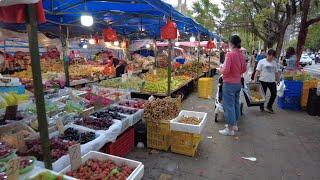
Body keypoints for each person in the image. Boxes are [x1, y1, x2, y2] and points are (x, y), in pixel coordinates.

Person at [219, 35, 247, 136]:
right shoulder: (241, 55)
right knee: (235, 104)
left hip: (229, 84)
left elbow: (225, 70)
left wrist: (220, 69)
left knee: (229, 106)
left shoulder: (230, 55)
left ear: (231, 43)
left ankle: (230, 130)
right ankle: (234, 124)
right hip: (238, 83)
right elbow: (244, 69)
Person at [255, 49, 280, 113]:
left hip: (271, 81)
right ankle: (262, 107)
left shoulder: (274, 62)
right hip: (262, 80)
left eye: (272, 56)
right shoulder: (261, 61)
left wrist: (278, 80)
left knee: (274, 94)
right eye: (270, 55)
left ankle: (269, 106)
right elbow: (257, 71)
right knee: (263, 95)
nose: (271, 57)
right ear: (267, 55)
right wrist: (255, 80)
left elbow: (276, 72)